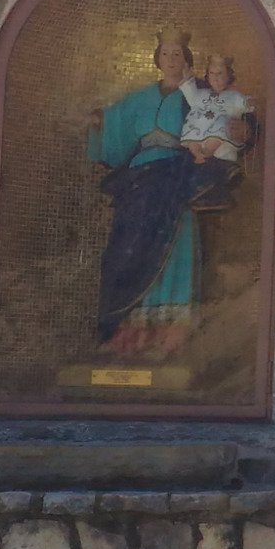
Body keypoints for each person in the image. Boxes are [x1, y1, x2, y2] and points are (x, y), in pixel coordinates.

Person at [85, 28, 205, 358]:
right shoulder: (140, 98)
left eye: (177, 54)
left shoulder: (194, 94)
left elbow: (216, 121)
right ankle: (127, 337)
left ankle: (167, 339)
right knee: (124, 253)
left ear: (186, 59)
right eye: (165, 54)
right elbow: (115, 121)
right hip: (137, 185)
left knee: (170, 249)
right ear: (157, 59)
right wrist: (99, 122)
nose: (171, 60)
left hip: (175, 182)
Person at [178, 52, 251, 211]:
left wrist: (246, 118)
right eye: (212, 74)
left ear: (229, 76)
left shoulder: (234, 96)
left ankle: (207, 153)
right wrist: (187, 78)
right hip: (199, 135)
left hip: (221, 144)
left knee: (222, 122)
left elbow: (248, 109)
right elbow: (190, 94)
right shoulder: (203, 94)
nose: (216, 78)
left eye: (220, 74)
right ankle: (198, 154)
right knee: (190, 124)